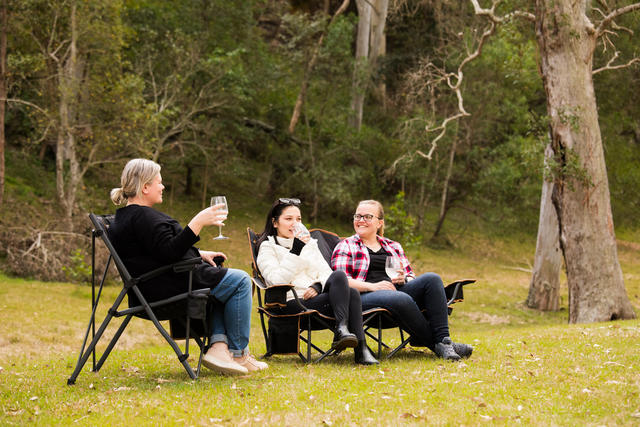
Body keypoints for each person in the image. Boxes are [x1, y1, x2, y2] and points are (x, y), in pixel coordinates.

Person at [108, 158, 268, 375]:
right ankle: (239, 354)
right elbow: (168, 252)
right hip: (169, 285)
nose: (163, 187)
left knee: (223, 279)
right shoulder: (142, 216)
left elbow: (152, 252)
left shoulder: (127, 217)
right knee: (239, 281)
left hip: (155, 284)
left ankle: (219, 349)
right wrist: (198, 221)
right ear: (145, 187)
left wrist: (198, 254)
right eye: (159, 182)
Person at [331, 200, 473, 361]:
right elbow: (340, 281)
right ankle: (440, 345)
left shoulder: (393, 246)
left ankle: (444, 341)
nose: (361, 220)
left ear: (379, 222)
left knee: (432, 278)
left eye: (367, 216)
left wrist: (403, 279)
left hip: (395, 291)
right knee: (400, 297)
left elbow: (410, 275)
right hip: (362, 297)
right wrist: (372, 287)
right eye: (358, 216)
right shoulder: (345, 246)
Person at [256, 198, 379, 365]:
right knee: (352, 293)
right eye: (288, 219)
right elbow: (276, 281)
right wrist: (296, 250)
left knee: (341, 278)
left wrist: (318, 286)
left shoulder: (309, 244)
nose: (295, 224)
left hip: (316, 298)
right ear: (275, 222)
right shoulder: (267, 247)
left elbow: (326, 273)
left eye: (298, 219)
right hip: (291, 302)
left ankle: (343, 331)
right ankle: (359, 348)